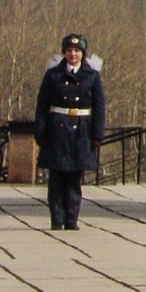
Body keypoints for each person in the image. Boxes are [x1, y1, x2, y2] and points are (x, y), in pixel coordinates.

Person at [34, 33, 106, 231]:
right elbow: (42, 105)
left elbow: (99, 107)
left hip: (81, 131)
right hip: (57, 129)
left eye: (76, 51)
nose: (72, 54)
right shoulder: (53, 75)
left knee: (74, 179)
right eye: (69, 51)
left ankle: (72, 220)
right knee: (56, 179)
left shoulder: (92, 76)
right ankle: (57, 220)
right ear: (64, 52)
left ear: (83, 53)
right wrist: (40, 131)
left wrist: (97, 134)